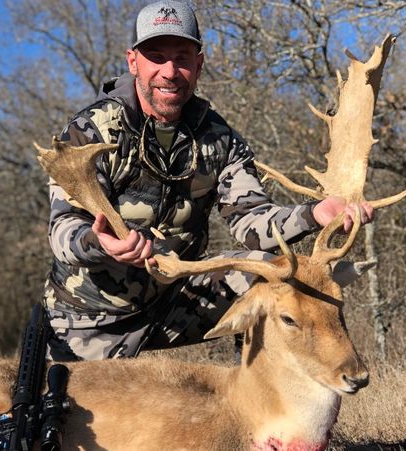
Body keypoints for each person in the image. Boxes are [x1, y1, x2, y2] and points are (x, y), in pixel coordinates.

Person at [42, 0, 373, 361]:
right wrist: (99, 242)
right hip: (90, 317)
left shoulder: (219, 138)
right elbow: (62, 232)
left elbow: (251, 222)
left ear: (199, 63)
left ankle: (269, 410)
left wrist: (317, 213)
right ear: (133, 61)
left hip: (174, 302)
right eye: (156, 56)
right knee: (65, 415)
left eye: (182, 57)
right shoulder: (90, 132)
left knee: (270, 273)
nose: (169, 71)